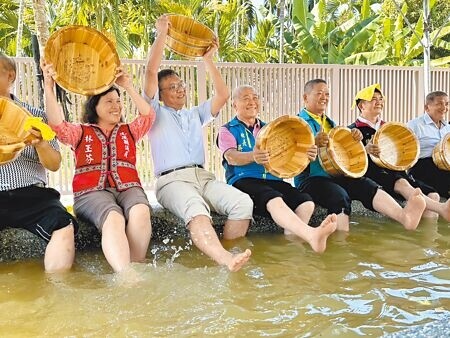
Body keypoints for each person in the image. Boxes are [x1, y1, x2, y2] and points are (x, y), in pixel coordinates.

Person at [143, 15, 253, 272]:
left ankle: (225, 254)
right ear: (160, 95)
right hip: (172, 181)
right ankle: (224, 259)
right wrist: (162, 33)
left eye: (181, 84)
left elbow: (223, 95)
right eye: (172, 86)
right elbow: (150, 71)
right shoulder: (154, 113)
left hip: (203, 176)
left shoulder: (194, 114)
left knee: (243, 203)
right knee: (197, 209)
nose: (180, 89)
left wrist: (207, 58)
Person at [42, 61, 154, 274]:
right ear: (94, 106)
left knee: (140, 211)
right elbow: (57, 125)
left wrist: (128, 86)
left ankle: (136, 266)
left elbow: (148, 116)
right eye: (109, 101)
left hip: (128, 189)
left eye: (118, 101)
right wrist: (49, 86)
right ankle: (125, 274)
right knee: (114, 217)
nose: (116, 106)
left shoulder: (129, 130)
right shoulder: (81, 132)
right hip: (90, 193)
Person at [294, 79, 426, 232]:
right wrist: (311, 142)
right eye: (319, 93)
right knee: (340, 197)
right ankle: (342, 246)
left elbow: (344, 151)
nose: (324, 97)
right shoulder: (298, 123)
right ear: (305, 98)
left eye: (327, 94)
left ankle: (405, 218)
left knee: (365, 184)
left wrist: (355, 139)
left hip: (335, 175)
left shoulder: (331, 123)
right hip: (310, 179)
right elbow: (290, 153)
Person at [217, 85, 337, 253]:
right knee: (274, 199)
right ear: (234, 105)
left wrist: (307, 153)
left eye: (255, 97)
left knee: (306, 202)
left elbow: (290, 154)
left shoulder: (270, 129)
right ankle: (311, 235)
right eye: (246, 98)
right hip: (244, 180)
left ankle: (290, 249)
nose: (252, 102)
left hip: (273, 179)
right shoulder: (227, 130)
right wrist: (253, 156)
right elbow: (231, 157)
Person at [0, 53, 77, 273]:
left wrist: (41, 143)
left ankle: (56, 291)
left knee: (63, 224)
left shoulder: (36, 116)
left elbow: (54, 164)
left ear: (10, 76)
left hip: (31, 195)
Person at [349, 84, 450, 221]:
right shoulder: (353, 131)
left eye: (380, 98)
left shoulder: (391, 128)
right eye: (373, 99)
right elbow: (348, 159)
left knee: (433, 195)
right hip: (373, 173)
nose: (378, 102)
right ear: (361, 106)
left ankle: (428, 240)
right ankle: (441, 209)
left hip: (396, 171)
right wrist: (364, 150)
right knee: (402, 183)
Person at [407, 91, 450, 199]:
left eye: (447, 104)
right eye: (439, 103)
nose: (444, 107)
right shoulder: (414, 125)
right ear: (427, 107)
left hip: (446, 166)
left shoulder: (447, 128)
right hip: (423, 166)